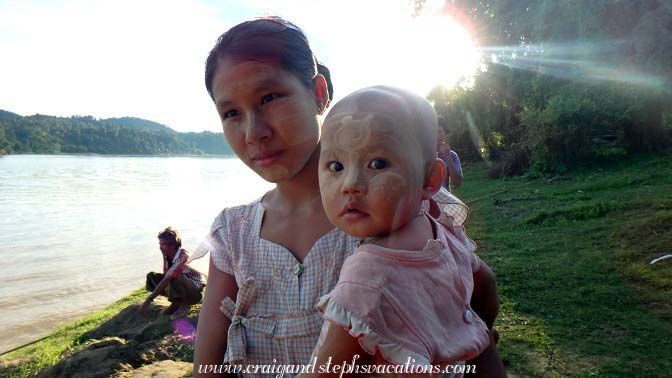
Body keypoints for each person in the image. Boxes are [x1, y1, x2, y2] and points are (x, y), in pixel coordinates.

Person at [194, 17, 504, 377]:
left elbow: (475, 306)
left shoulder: (403, 210)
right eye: (231, 112)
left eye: (269, 98)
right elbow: (208, 368)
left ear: (319, 93)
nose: (253, 132)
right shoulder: (233, 235)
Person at [306, 86, 489, 376]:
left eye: (377, 164)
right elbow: (487, 286)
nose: (350, 183)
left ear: (431, 180)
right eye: (336, 165)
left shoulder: (367, 274)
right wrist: (480, 337)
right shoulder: (442, 230)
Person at [139, 227, 206, 319]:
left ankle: (184, 305)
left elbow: (168, 278)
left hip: (193, 293)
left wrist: (148, 300)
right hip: (180, 285)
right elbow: (166, 274)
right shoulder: (169, 256)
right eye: (160, 244)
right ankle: (176, 301)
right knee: (152, 277)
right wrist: (164, 256)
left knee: (175, 278)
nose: (160, 247)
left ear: (172, 245)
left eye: (163, 244)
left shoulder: (183, 257)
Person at [437, 115, 463, 191]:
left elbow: (457, 182)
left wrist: (448, 156)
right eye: (433, 131)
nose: (436, 135)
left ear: (445, 134)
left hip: (444, 199)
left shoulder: (452, 155)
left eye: (439, 131)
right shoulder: (423, 154)